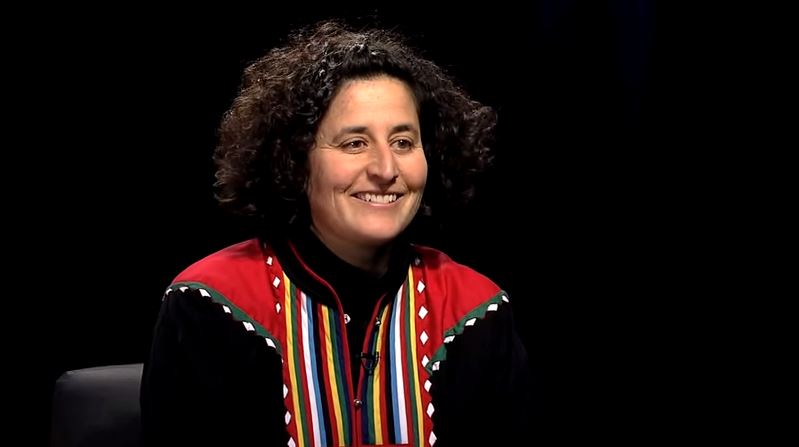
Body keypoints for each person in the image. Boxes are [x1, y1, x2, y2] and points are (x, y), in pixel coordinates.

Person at [141, 19, 531, 446]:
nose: (386, 170)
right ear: (294, 160)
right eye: (354, 144)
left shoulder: (476, 311)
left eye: (403, 142)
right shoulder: (209, 304)